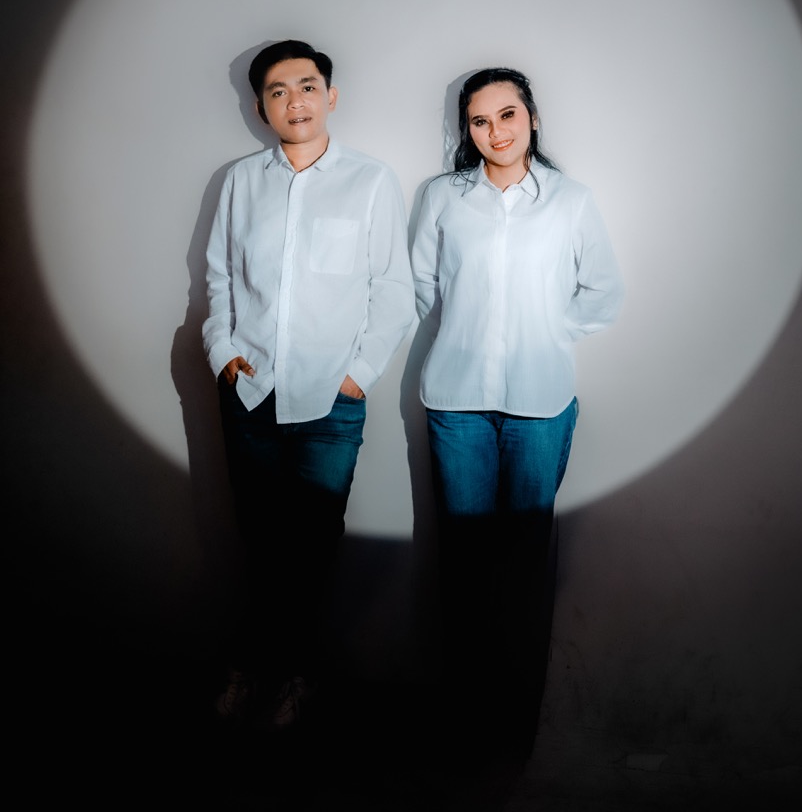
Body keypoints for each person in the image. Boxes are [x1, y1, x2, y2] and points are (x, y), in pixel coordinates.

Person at [411, 66, 623, 756]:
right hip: (457, 404)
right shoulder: (442, 196)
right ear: (466, 130)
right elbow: (419, 285)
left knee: (525, 565)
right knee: (465, 562)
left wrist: (545, 335)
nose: (495, 131)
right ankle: (466, 721)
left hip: (540, 405)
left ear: (531, 117)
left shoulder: (570, 201)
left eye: (507, 115)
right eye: (479, 120)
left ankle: (514, 729)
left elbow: (603, 292)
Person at [203, 39, 414, 730]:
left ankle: (296, 678)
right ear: (260, 106)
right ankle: (251, 669)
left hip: (330, 402)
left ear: (330, 95)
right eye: (277, 91)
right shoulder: (240, 181)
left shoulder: (371, 181)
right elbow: (219, 276)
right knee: (259, 544)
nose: (294, 101)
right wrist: (222, 353)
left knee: (313, 549)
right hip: (250, 394)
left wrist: (357, 377)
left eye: (306, 86)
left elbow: (393, 291)